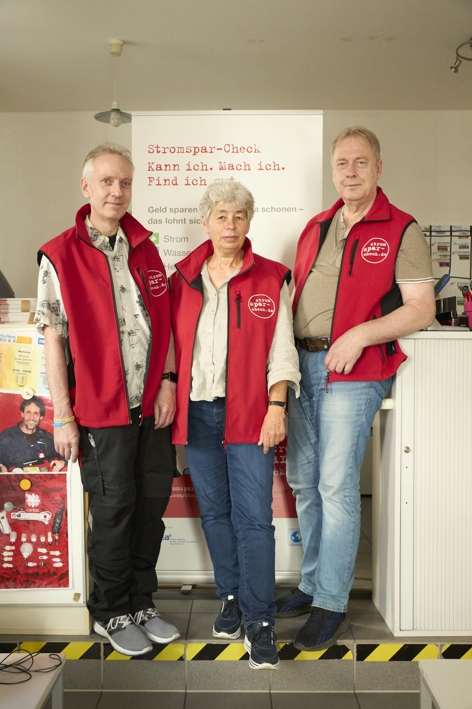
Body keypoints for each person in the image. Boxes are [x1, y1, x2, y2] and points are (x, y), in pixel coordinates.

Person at [274, 127, 436, 651]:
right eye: (342, 163)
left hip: (357, 369)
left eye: (361, 162)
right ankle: (311, 585)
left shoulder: (401, 228)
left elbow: (421, 309)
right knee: (304, 481)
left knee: (335, 486)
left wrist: (360, 335)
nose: (350, 172)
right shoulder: (316, 227)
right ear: (332, 170)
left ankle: (331, 603)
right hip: (305, 365)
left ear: (378, 168)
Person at [35, 143, 180, 656]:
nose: (117, 191)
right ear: (86, 187)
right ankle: (110, 610)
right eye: (106, 181)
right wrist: (63, 416)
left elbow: (164, 324)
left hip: (151, 407)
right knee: (115, 511)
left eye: (125, 182)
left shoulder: (146, 248)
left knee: (151, 507)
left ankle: (141, 602)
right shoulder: (59, 255)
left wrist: (168, 380)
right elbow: (53, 340)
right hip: (101, 410)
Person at [170, 180, 300, 670]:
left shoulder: (272, 277)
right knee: (215, 514)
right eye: (221, 215)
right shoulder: (183, 277)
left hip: (250, 411)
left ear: (249, 222)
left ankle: (260, 620)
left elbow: (282, 348)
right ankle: (230, 596)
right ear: (205, 221)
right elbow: (171, 347)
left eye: (239, 216)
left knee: (255, 520)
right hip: (198, 413)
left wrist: (276, 405)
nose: (230, 225)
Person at [0, 395, 66, 471]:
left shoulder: (47, 438)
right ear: (22, 413)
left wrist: (62, 462)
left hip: (42, 478)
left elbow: (66, 455)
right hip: (13, 478)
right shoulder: (7, 436)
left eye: (36, 413)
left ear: (41, 417)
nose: (31, 417)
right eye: (28, 412)